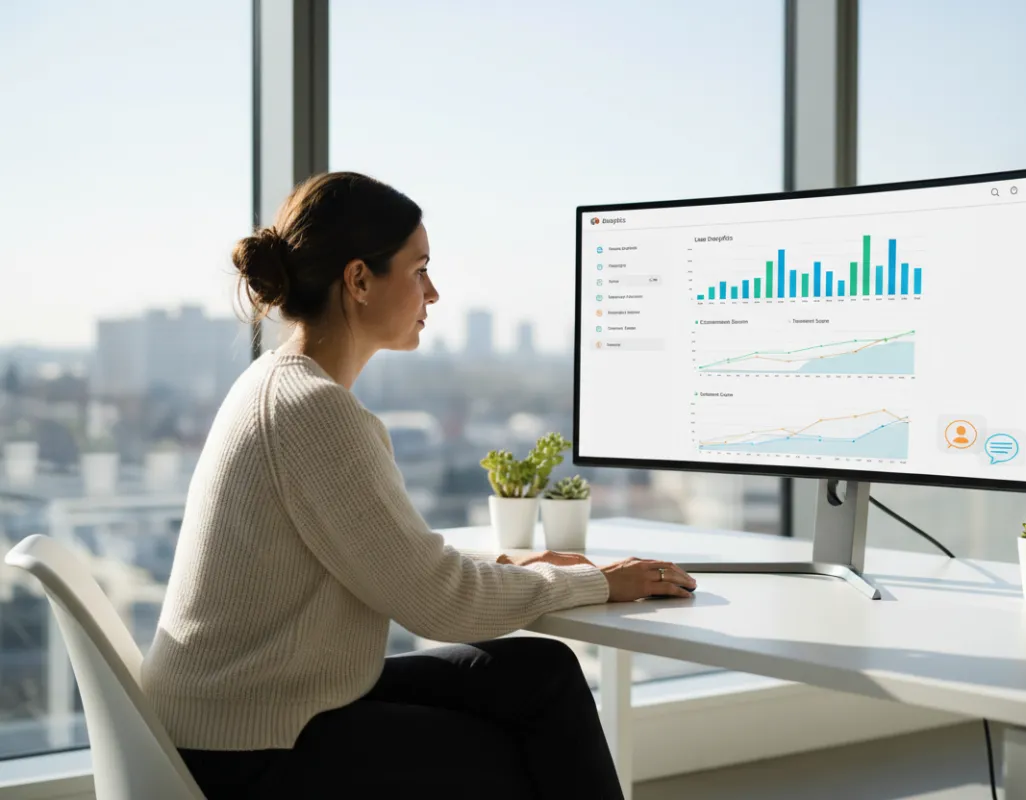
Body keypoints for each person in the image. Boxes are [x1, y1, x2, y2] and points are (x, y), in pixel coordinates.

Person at [141, 171, 696, 799]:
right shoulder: (313, 411)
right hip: (249, 746)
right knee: (516, 750)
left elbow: (397, 561)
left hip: (262, 702)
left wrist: (522, 568)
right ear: (358, 280)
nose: (433, 291)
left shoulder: (277, 381)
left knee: (540, 675)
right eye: (419, 268)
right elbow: (439, 605)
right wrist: (596, 581)